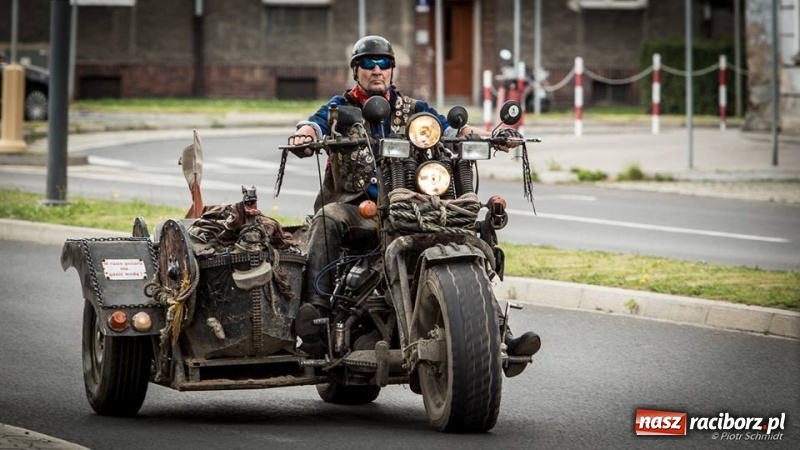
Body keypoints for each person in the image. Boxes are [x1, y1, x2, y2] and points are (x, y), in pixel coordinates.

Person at [287, 35, 540, 376]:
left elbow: (451, 127)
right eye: (368, 64)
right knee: (325, 220)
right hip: (358, 208)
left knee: (466, 236)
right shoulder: (338, 108)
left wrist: (485, 134)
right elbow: (312, 123)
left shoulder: (414, 109)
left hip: (413, 205)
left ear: (392, 70)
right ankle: (316, 316)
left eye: (384, 64)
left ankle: (500, 333)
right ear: (355, 70)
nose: (377, 70)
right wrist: (305, 134)